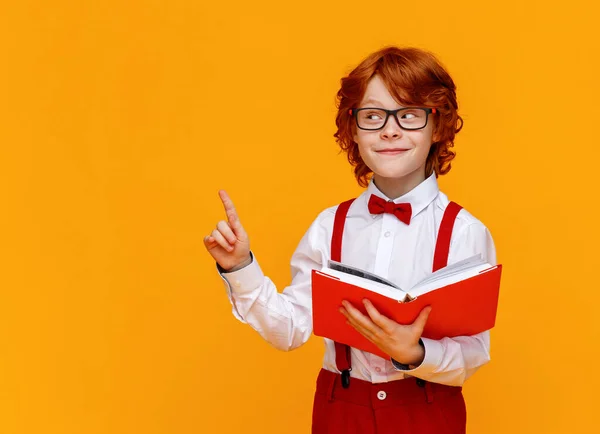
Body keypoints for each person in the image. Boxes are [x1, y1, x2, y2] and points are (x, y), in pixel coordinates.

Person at [203, 46, 496, 434]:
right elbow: (289, 330)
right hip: (340, 409)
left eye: (408, 115)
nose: (390, 130)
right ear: (353, 130)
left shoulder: (464, 232)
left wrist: (416, 353)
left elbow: (474, 352)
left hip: (427, 411)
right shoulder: (329, 226)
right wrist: (240, 267)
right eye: (373, 116)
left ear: (437, 126)